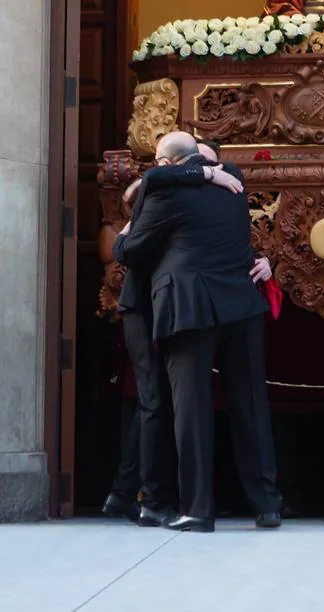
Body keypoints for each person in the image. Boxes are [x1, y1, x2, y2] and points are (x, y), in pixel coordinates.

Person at [114, 132, 283, 533]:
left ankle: (197, 509)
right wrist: (205, 174)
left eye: (158, 159)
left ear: (171, 166)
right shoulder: (234, 182)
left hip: (189, 306)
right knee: (251, 406)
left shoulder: (165, 193)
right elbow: (181, 174)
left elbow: (131, 251)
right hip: (240, 304)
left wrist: (122, 239)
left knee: (191, 411)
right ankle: (267, 504)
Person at [103, 149, 245, 526]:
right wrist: (205, 176)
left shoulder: (182, 196)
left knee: (160, 402)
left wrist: (206, 175)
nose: (210, 169)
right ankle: (143, 496)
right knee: (152, 402)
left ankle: (132, 494)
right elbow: (128, 245)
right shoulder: (158, 191)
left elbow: (228, 172)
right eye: (199, 164)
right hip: (142, 307)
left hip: (166, 308)